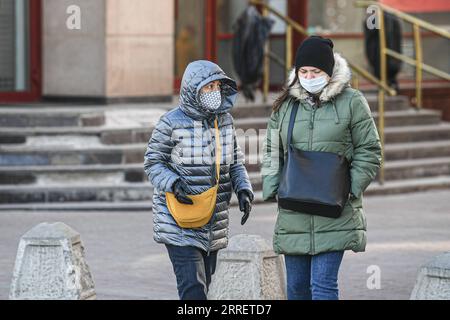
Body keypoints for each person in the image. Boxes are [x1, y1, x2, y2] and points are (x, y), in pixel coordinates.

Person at [261, 36, 382, 300]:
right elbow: (271, 149)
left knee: (323, 286)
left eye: (316, 71)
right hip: (294, 208)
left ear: (329, 72)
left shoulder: (352, 101)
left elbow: (369, 149)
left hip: (334, 210)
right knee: (296, 289)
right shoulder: (286, 105)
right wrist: (272, 188)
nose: (309, 76)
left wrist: (350, 188)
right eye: (303, 71)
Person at [144, 60, 254, 300]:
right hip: (178, 220)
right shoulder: (170, 122)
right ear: (193, 89)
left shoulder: (224, 120)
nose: (213, 92)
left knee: (210, 289)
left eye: (217, 86)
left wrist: (244, 188)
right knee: (193, 291)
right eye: (207, 87)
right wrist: (172, 182)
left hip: (214, 222)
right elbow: (153, 163)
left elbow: (235, 161)